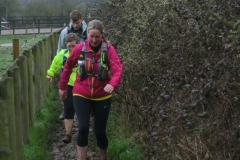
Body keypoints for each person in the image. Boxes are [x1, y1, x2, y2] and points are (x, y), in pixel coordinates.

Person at [58, 20, 122, 160]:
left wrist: (113, 83)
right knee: (83, 128)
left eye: (97, 37)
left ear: (102, 35)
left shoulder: (109, 50)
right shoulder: (79, 49)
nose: (93, 40)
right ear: (87, 34)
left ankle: (103, 157)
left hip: (102, 96)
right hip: (81, 93)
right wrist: (63, 87)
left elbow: (117, 70)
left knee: (100, 132)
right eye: (91, 36)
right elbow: (67, 67)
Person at [46, 33, 79, 143]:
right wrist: (50, 74)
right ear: (66, 45)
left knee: (81, 109)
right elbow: (54, 65)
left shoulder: (84, 53)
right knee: (68, 108)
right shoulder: (62, 54)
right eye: (69, 46)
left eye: (73, 46)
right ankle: (68, 134)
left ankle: (83, 131)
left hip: (81, 85)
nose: (71, 48)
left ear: (78, 44)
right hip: (68, 85)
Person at [57, 10, 88, 120]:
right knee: (66, 88)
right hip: (67, 65)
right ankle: (66, 110)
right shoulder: (64, 33)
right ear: (70, 21)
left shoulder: (87, 32)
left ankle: (87, 110)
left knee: (85, 87)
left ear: (81, 20)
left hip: (84, 64)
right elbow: (60, 49)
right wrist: (59, 65)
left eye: (77, 23)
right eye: (73, 23)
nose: (75, 26)